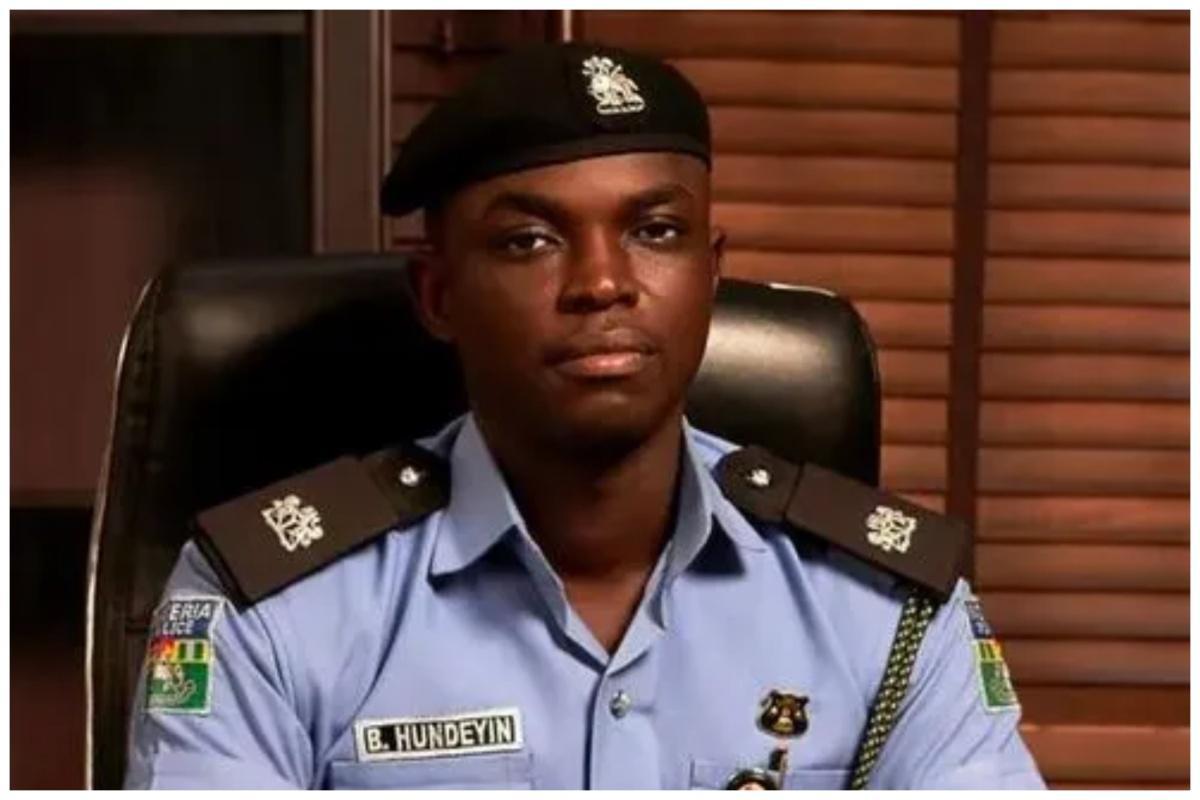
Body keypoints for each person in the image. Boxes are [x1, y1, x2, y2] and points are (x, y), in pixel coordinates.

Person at [124, 42, 1045, 790]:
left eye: (655, 231)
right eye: (529, 240)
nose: (602, 283)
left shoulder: (885, 610)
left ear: (711, 273)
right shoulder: (272, 605)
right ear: (439, 295)